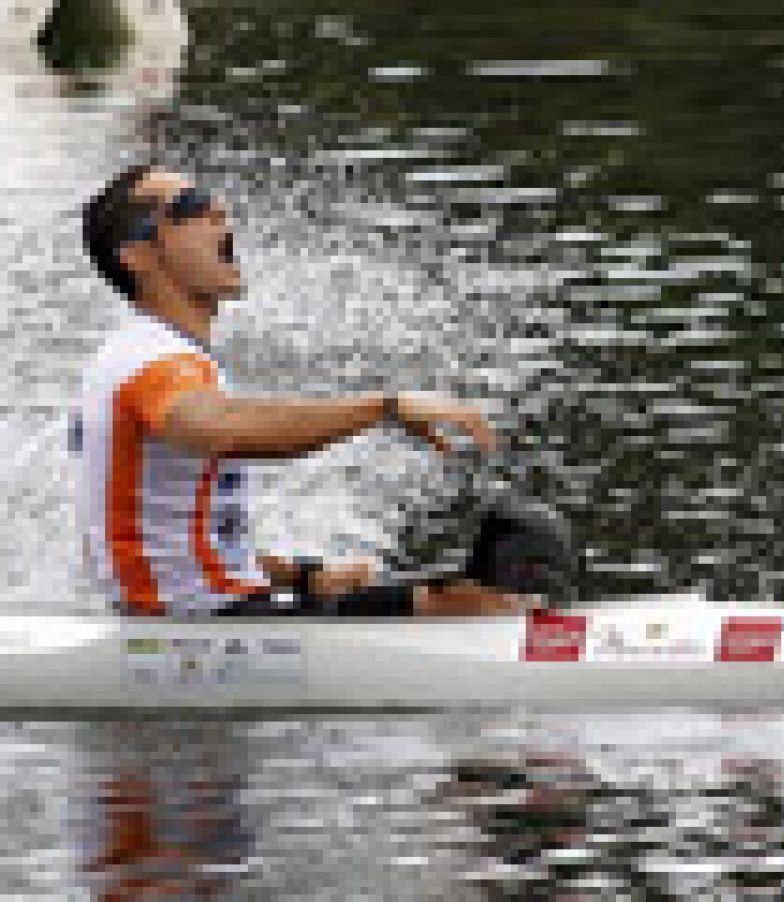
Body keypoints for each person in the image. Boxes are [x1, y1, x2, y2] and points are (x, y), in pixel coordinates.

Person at [73, 163, 541, 616]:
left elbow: (180, 542)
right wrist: (387, 407)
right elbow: (219, 430)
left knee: (467, 582)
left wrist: (303, 577)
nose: (219, 210)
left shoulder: (157, 352)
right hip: (196, 624)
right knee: (471, 603)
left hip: (205, 613)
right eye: (191, 205)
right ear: (135, 254)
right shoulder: (148, 358)